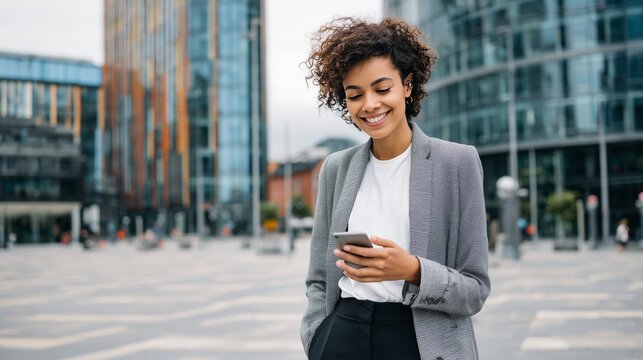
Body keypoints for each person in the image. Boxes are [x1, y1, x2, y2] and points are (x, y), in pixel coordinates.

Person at [300, 17, 490, 360]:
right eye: (354, 95)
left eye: (382, 88)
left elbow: (474, 290)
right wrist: (316, 335)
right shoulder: (335, 168)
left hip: (420, 338)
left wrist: (412, 270)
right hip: (343, 333)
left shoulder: (457, 163)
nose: (369, 105)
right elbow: (318, 276)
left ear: (407, 85)